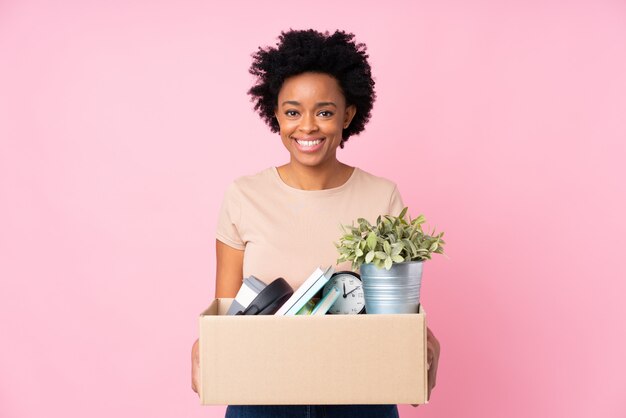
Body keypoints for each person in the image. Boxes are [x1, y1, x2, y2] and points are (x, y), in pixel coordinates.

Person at [191, 29, 440, 418]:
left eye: (324, 111)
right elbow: (228, 311)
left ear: (348, 114)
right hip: (262, 396)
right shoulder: (244, 196)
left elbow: (397, 308)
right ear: (275, 114)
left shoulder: (382, 196)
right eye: (292, 111)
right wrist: (207, 344)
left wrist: (416, 341)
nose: (307, 126)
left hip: (360, 395)